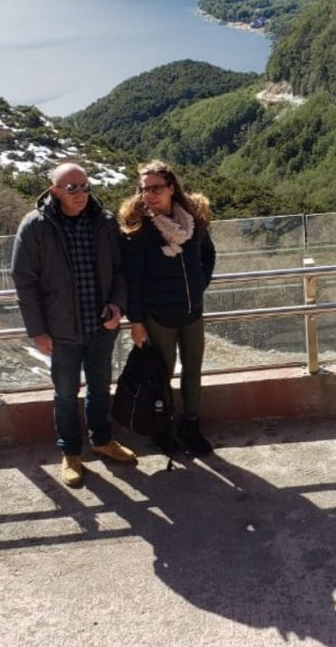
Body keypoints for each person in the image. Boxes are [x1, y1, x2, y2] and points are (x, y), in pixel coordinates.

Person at [11, 162, 137, 487]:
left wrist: (117, 306)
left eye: (84, 186)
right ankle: (70, 452)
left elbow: (121, 270)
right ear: (55, 191)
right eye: (71, 189)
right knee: (65, 393)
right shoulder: (35, 226)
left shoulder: (104, 222)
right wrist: (37, 331)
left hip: (100, 327)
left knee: (99, 387)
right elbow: (24, 282)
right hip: (60, 331)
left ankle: (102, 440)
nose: (80, 194)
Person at [118, 159, 215, 456]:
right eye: (144, 189)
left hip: (192, 312)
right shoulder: (140, 231)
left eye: (157, 188)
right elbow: (131, 281)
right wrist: (136, 321)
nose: (150, 194)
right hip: (158, 317)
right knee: (161, 375)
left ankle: (190, 425)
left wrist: (198, 287)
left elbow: (208, 255)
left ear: (172, 187)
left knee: (193, 371)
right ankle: (163, 428)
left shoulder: (194, 221)